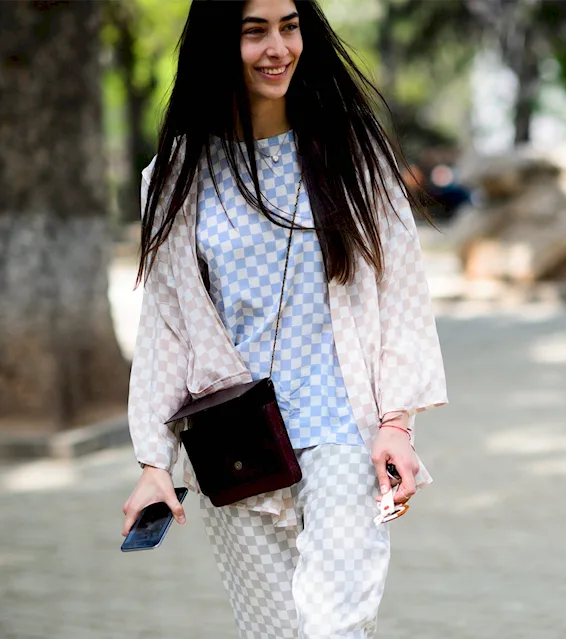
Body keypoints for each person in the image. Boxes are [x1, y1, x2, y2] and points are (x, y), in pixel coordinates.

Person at [120, 1, 448, 637]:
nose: (278, 47)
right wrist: (154, 464)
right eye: (254, 31)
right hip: (233, 441)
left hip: (342, 425)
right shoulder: (175, 176)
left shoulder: (353, 153)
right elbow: (164, 327)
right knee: (271, 630)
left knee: (334, 625)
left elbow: (401, 290)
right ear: (221, 43)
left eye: (289, 26)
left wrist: (396, 423)